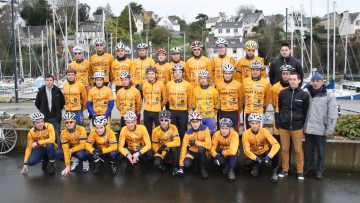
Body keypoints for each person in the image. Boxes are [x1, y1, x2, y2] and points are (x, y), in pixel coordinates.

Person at [304, 73, 338, 179]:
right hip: (308, 128)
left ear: (322, 82)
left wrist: (329, 129)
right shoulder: (306, 92)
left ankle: (319, 170)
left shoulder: (329, 95)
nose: (315, 83)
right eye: (313, 81)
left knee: (321, 152)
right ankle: (308, 169)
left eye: (317, 81)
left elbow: (332, 114)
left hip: (321, 128)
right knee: (308, 151)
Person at [278, 72, 310, 181]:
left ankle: (300, 171)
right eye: (290, 79)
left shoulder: (304, 95)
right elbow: (280, 108)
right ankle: (285, 169)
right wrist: (280, 121)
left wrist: (301, 125)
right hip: (284, 126)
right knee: (285, 149)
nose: (292, 81)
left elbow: (305, 112)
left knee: (298, 149)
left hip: (297, 127)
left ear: (299, 81)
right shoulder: (282, 93)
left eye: (294, 79)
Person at [242, 113, 280, 183]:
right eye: (252, 123)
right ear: (249, 123)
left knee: (275, 152)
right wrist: (257, 159)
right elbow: (246, 150)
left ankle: (274, 172)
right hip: (254, 155)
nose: (254, 125)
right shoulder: (246, 134)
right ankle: (256, 165)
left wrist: (269, 157)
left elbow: (276, 144)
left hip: (264, 153)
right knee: (250, 167)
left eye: (256, 123)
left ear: (259, 123)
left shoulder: (264, 131)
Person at [178, 111, 211, 179]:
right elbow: (183, 148)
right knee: (186, 164)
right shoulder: (188, 133)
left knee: (201, 148)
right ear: (190, 123)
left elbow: (209, 145)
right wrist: (181, 166)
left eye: (197, 121)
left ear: (200, 122)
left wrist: (196, 142)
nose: (195, 124)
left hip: (202, 153)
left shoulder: (205, 129)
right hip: (192, 152)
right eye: (193, 122)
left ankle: (203, 169)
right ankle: (195, 163)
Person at [35, 74, 65, 144]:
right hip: (45, 118)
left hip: (55, 117)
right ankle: (47, 152)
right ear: (45, 81)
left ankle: (58, 151)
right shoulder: (41, 91)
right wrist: (42, 110)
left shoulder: (57, 90)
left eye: (50, 80)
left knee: (57, 136)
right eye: (47, 80)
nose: (49, 82)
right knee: (46, 136)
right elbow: (37, 103)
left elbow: (62, 102)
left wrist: (57, 110)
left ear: (53, 81)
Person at [241, 60, 271, 130]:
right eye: (253, 70)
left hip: (259, 111)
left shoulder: (266, 83)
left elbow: (267, 98)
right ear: (250, 70)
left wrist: (264, 108)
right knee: (247, 132)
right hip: (248, 111)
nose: (255, 72)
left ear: (260, 70)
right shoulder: (245, 81)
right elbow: (243, 96)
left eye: (257, 70)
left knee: (259, 133)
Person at [166, 64, 192, 138]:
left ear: (183, 73)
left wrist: (188, 110)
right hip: (172, 110)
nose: (177, 74)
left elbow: (190, 98)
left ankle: (182, 147)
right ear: (173, 73)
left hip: (183, 111)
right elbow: (167, 97)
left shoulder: (187, 85)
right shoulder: (169, 84)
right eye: (176, 72)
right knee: (172, 130)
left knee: (182, 130)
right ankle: (174, 147)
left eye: (179, 72)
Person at [152, 110, 181, 175]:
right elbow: (154, 145)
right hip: (161, 151)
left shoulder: (173, 127)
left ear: (169, 121)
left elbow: (178, 142)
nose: (163, 122)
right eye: (161, 120)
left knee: (174, 148)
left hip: (170, 150)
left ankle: (174, 167)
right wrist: (160, 151)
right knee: (157, 164)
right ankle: (163, 163)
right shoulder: (155, 130)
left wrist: (165, 145)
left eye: (166, 120)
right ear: (159, 121)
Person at [192, 70, 220, 135]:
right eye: (201, 78)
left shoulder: (213, 90)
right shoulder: (195, 90)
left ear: (207, 78)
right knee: (199, 135)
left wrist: (213, 113)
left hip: (210, 117)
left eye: (204, 78)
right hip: (199, 118)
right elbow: (193, 105)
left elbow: (217, 104)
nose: (202, 80)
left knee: (210, 135)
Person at [216, 63, 242, 132]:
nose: (227, 75)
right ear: (223, 73)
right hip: (223, 111)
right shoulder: (218, 85)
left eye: (229, 73)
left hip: (234, 111)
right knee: (222, 131)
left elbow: (240, 98)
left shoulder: (238, 85)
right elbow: (217, 99)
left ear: (232, 73)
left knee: (234, 131)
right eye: (226, 73)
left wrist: (238, 108)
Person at [142, 66, 168, 137]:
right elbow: (144, 96)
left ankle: (158, 144)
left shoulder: (161, 84)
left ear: (156, 74)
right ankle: (149, 145)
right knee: (147, 130)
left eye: (152, 73)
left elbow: (165, 98)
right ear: (146, 75)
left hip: (157, 111)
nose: (150, 75)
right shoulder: (144, 85)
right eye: (149, 74)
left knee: (158, 129)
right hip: (147, 111)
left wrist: (160, 106)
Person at [270, 64, 291, 145]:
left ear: (290, 74)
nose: (285, 76)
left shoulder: (292, 85)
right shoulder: (275, 87)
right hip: (278, 113)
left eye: (287, 74)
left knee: (288, 142)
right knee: (276, 139)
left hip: (289, 114)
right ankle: (275, 158)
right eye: (283, 74)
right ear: (281, 74)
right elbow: (272, 100)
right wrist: (277, 109)